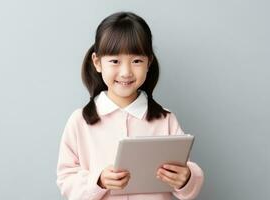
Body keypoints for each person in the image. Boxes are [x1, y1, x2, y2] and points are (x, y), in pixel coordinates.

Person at [56, 11, 204, 200]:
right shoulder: (80, 121)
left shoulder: (165, 119)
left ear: (148, 63)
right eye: (115, 61)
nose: (126, 72)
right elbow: (66, 179)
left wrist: (186, 177)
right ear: (97, 62)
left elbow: (184, 170)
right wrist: (98, 181)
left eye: (136, 61)